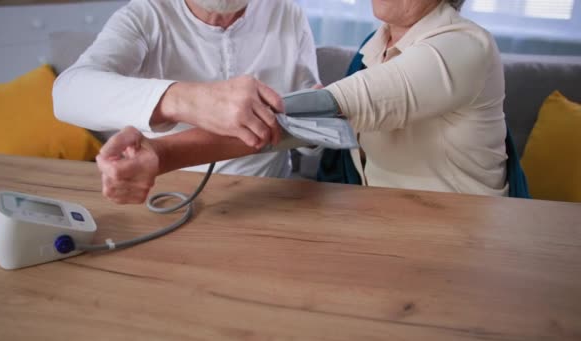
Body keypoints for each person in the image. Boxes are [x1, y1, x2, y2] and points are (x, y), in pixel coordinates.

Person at [97, 0, 511, 204]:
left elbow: (327, 109)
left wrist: (160, 153)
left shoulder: (464, 46)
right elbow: (308, 128)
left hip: (463, 232)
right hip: (388, 223)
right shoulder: (373, 48)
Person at [53, 0, 319, 181]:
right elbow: (67, 93)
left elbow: (312, 134)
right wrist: (184, 100)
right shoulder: (146, 14)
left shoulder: (287, 13)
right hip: (170, 194)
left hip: (272, 193)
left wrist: (319, 121)